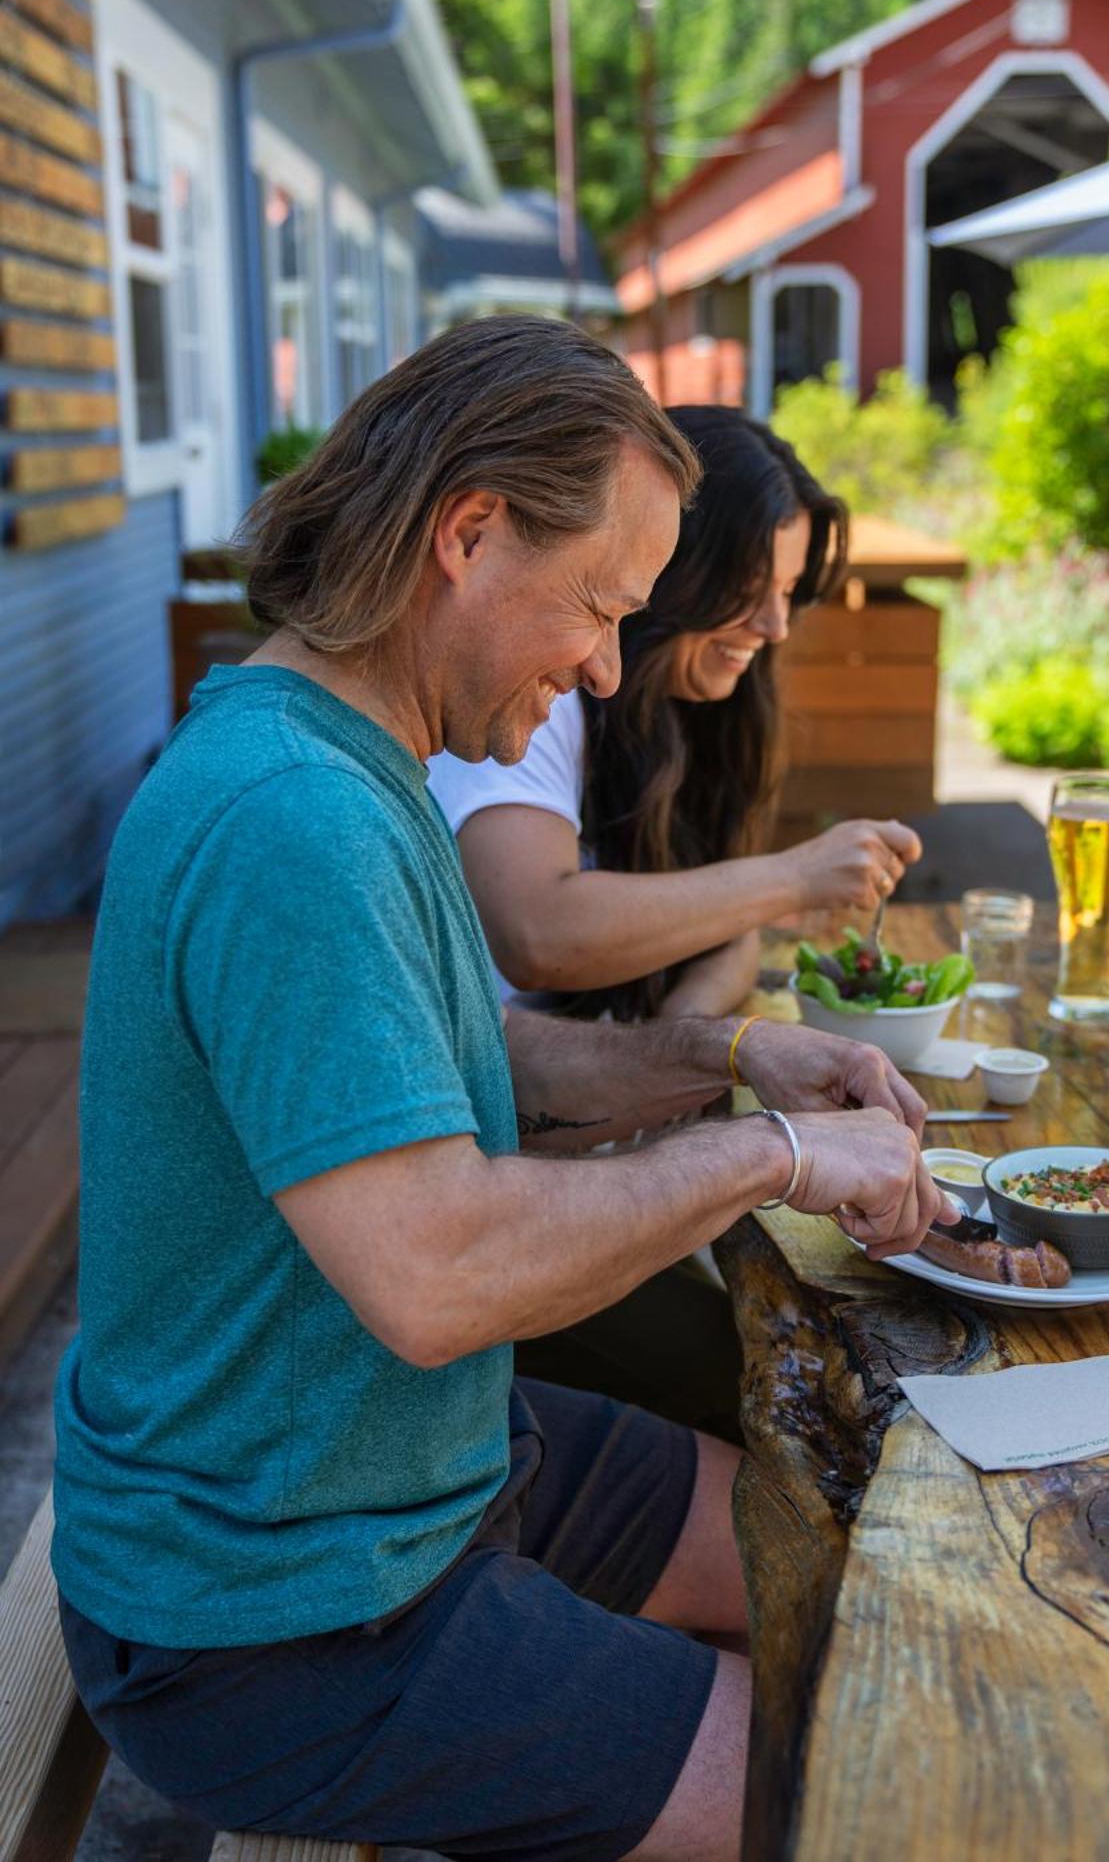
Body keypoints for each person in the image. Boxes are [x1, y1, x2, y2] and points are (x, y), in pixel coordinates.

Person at [52, 316, 956, 1862]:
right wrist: (774, 1154)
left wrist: (732, 1051)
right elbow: (436, 1270)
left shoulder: (344, 757)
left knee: (857, 1553)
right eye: (601, 607)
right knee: (867, 1786)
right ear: (468, 534)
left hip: (411, 1470)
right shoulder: (294, 823)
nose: (612, 664)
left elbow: (484, 1061)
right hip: (278, 1619)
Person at [430, 404, 922, 1025]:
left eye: (788, 591)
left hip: (601, 1087)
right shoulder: (542, 692)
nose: (774, 626)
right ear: (669, 566)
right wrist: (795, 878)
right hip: (505, 1089)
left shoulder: (704, 707)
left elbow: (726, 927)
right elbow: (538, 935)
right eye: (748, 586)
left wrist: (682, 1036)